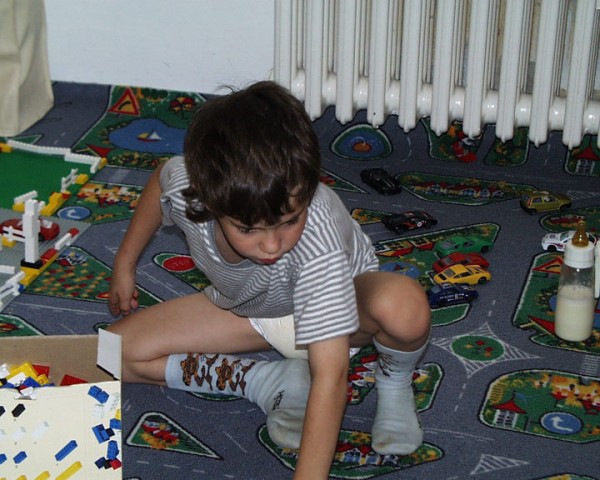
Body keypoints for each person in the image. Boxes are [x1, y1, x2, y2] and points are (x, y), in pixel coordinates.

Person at [107, 81, 431, 479]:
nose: (272, 245)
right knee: (111, 354)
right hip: (250, 308)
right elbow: (161, 181)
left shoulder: (318, 242)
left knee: (404, 307)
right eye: (248, 229)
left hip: (345, 313)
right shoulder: (190, 184)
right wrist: (125, 263)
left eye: (289, 220)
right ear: (208, 201)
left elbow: (330, 376)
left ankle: (394, 381)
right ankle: (262, 380)